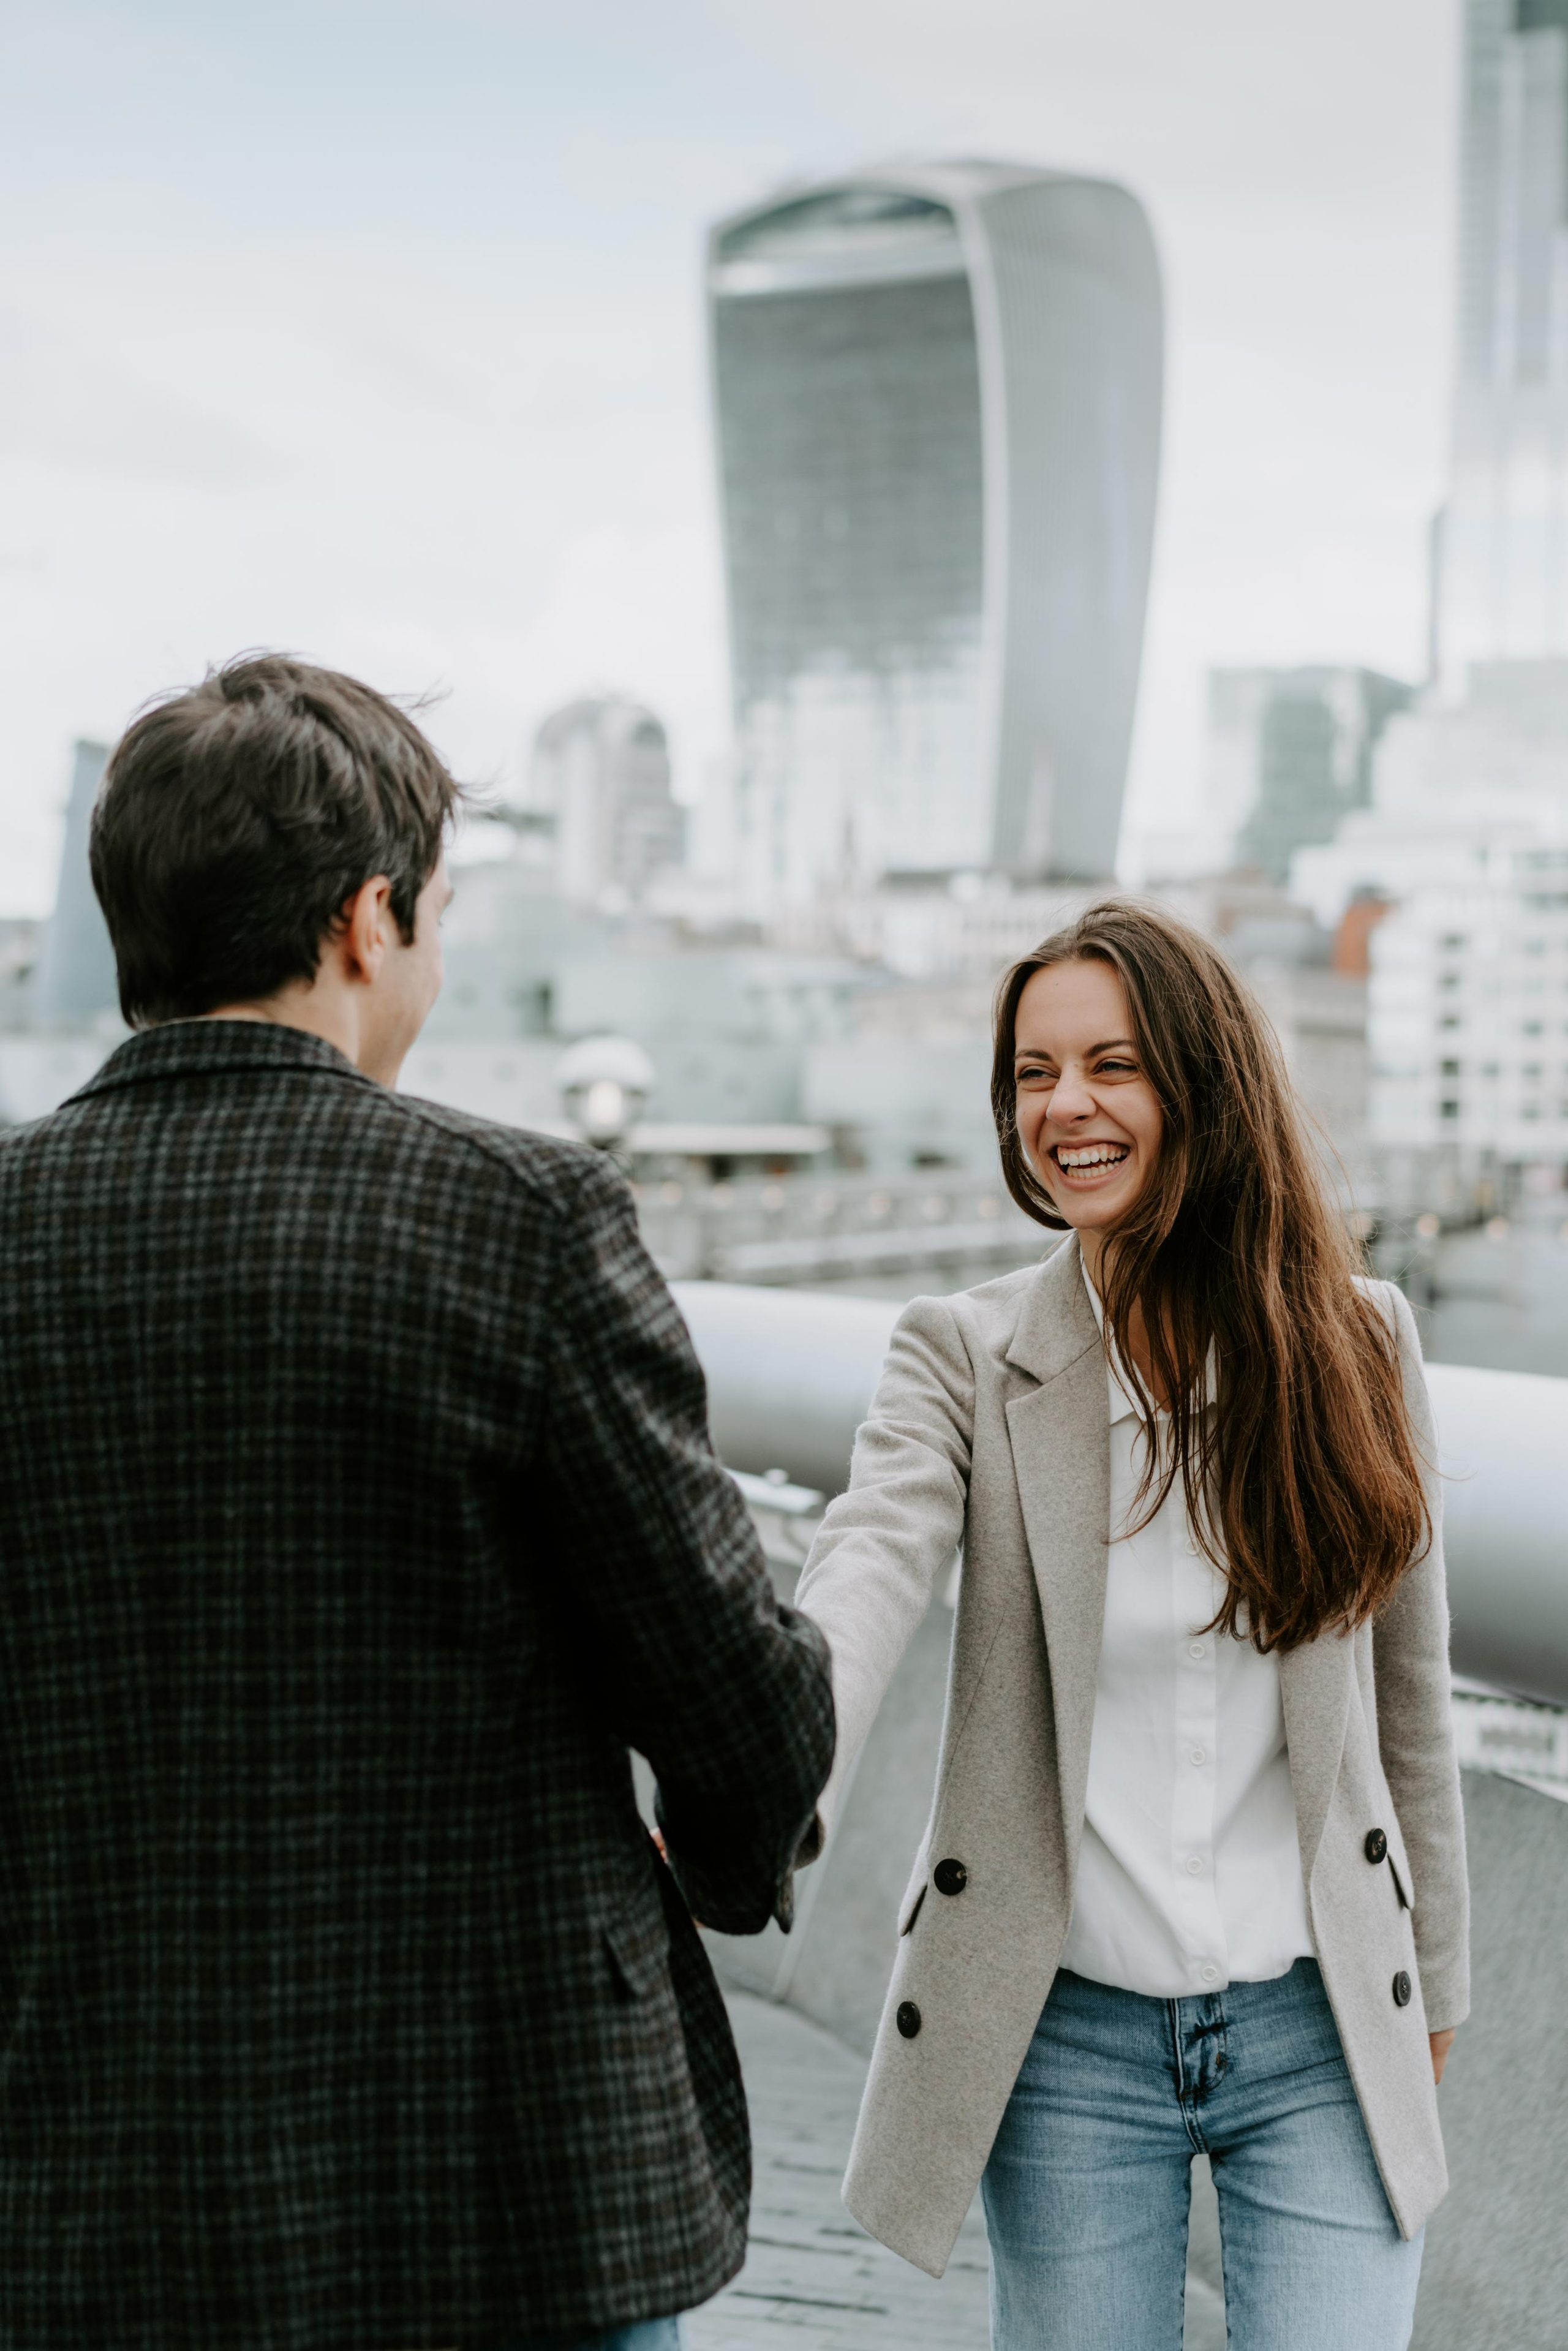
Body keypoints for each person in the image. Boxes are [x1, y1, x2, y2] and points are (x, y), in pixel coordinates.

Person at [0, 654, 834, 2351]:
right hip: (493, 2165)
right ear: (370, 917)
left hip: (81, 2171)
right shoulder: (514, 1216)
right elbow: (730, 1684)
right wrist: (737, 1856)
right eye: (437, 911)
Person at [793, 899, 1467, 2351]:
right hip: (1064, 2026)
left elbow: (1408, 1699)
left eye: (1110, 1064)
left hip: (1319, 2025)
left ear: (1199, 1084)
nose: (1065, 1106)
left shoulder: (1356, 1342)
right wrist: (773, 1766)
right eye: (1032, 1074)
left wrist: (1442, 1973)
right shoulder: (963, 1352)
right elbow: (869, 1556)